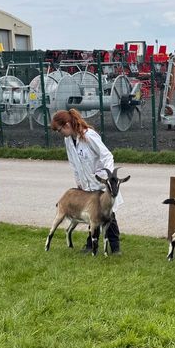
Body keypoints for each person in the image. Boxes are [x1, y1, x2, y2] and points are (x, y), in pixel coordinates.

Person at [50, 108, 122, 254]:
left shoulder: (89, 135)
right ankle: (91, 245)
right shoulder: (68, 140)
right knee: (92, 214)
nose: (60, 133)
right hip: (86, 184)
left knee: (108, 213)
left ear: (67, 125)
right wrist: (78, 181)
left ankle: (115, 247)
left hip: (100, 182)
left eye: (59, 130)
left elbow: (107, 156)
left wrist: (109, 178)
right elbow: (73, 163)